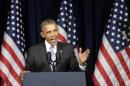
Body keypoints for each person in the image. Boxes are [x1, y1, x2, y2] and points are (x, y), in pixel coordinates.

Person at [20, 19, 90, 79]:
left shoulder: (68, 49)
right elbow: (27, 72)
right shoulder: (33, 51)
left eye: (55, 30)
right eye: (49, 32)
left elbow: (76, 74)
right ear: (42, 35)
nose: (53, 34)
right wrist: (23, 74)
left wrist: (81, 63)